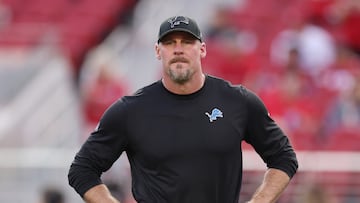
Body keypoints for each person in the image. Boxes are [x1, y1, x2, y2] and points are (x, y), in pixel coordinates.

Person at [68, 15, 298, 203]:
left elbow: (283, 157)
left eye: (187, 42)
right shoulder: (130, 110)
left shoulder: (237, 101)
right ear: (158, 51)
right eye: (170, 43)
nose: (178, 49)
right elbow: (82, 170)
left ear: (203, 50)